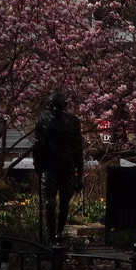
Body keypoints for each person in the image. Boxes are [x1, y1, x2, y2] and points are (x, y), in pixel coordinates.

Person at [33, 91, 84, 242]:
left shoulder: (73, 122)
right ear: (47, 105)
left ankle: (59, 234)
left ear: (65, 106)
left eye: (58, 106)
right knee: (50, 203)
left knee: (64, 204)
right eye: (52, 106)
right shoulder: (42, 120)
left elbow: (78, 148)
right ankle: (50, 239)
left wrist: (80, 175)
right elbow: (38, 145)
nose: (55, 109)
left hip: (67, 167)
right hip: (49, 167)